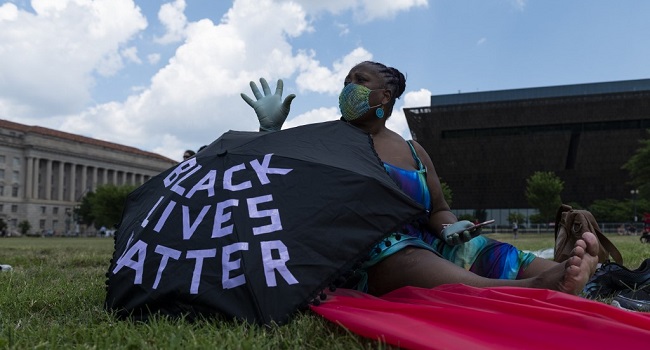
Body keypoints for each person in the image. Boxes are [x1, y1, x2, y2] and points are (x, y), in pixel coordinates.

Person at [241, 61, 600, 297]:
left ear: (385, 97)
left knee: (481, 249)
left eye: (360, 80)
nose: (349, 86)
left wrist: (450, 227)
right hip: (365, 250)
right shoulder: (324, 139)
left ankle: (562, 271)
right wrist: (269, 131)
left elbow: (438, 209)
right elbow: (274, 179)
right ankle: (525, 288)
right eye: (347, 80)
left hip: (428, 241)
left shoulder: (413, 150)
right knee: (402, 253)